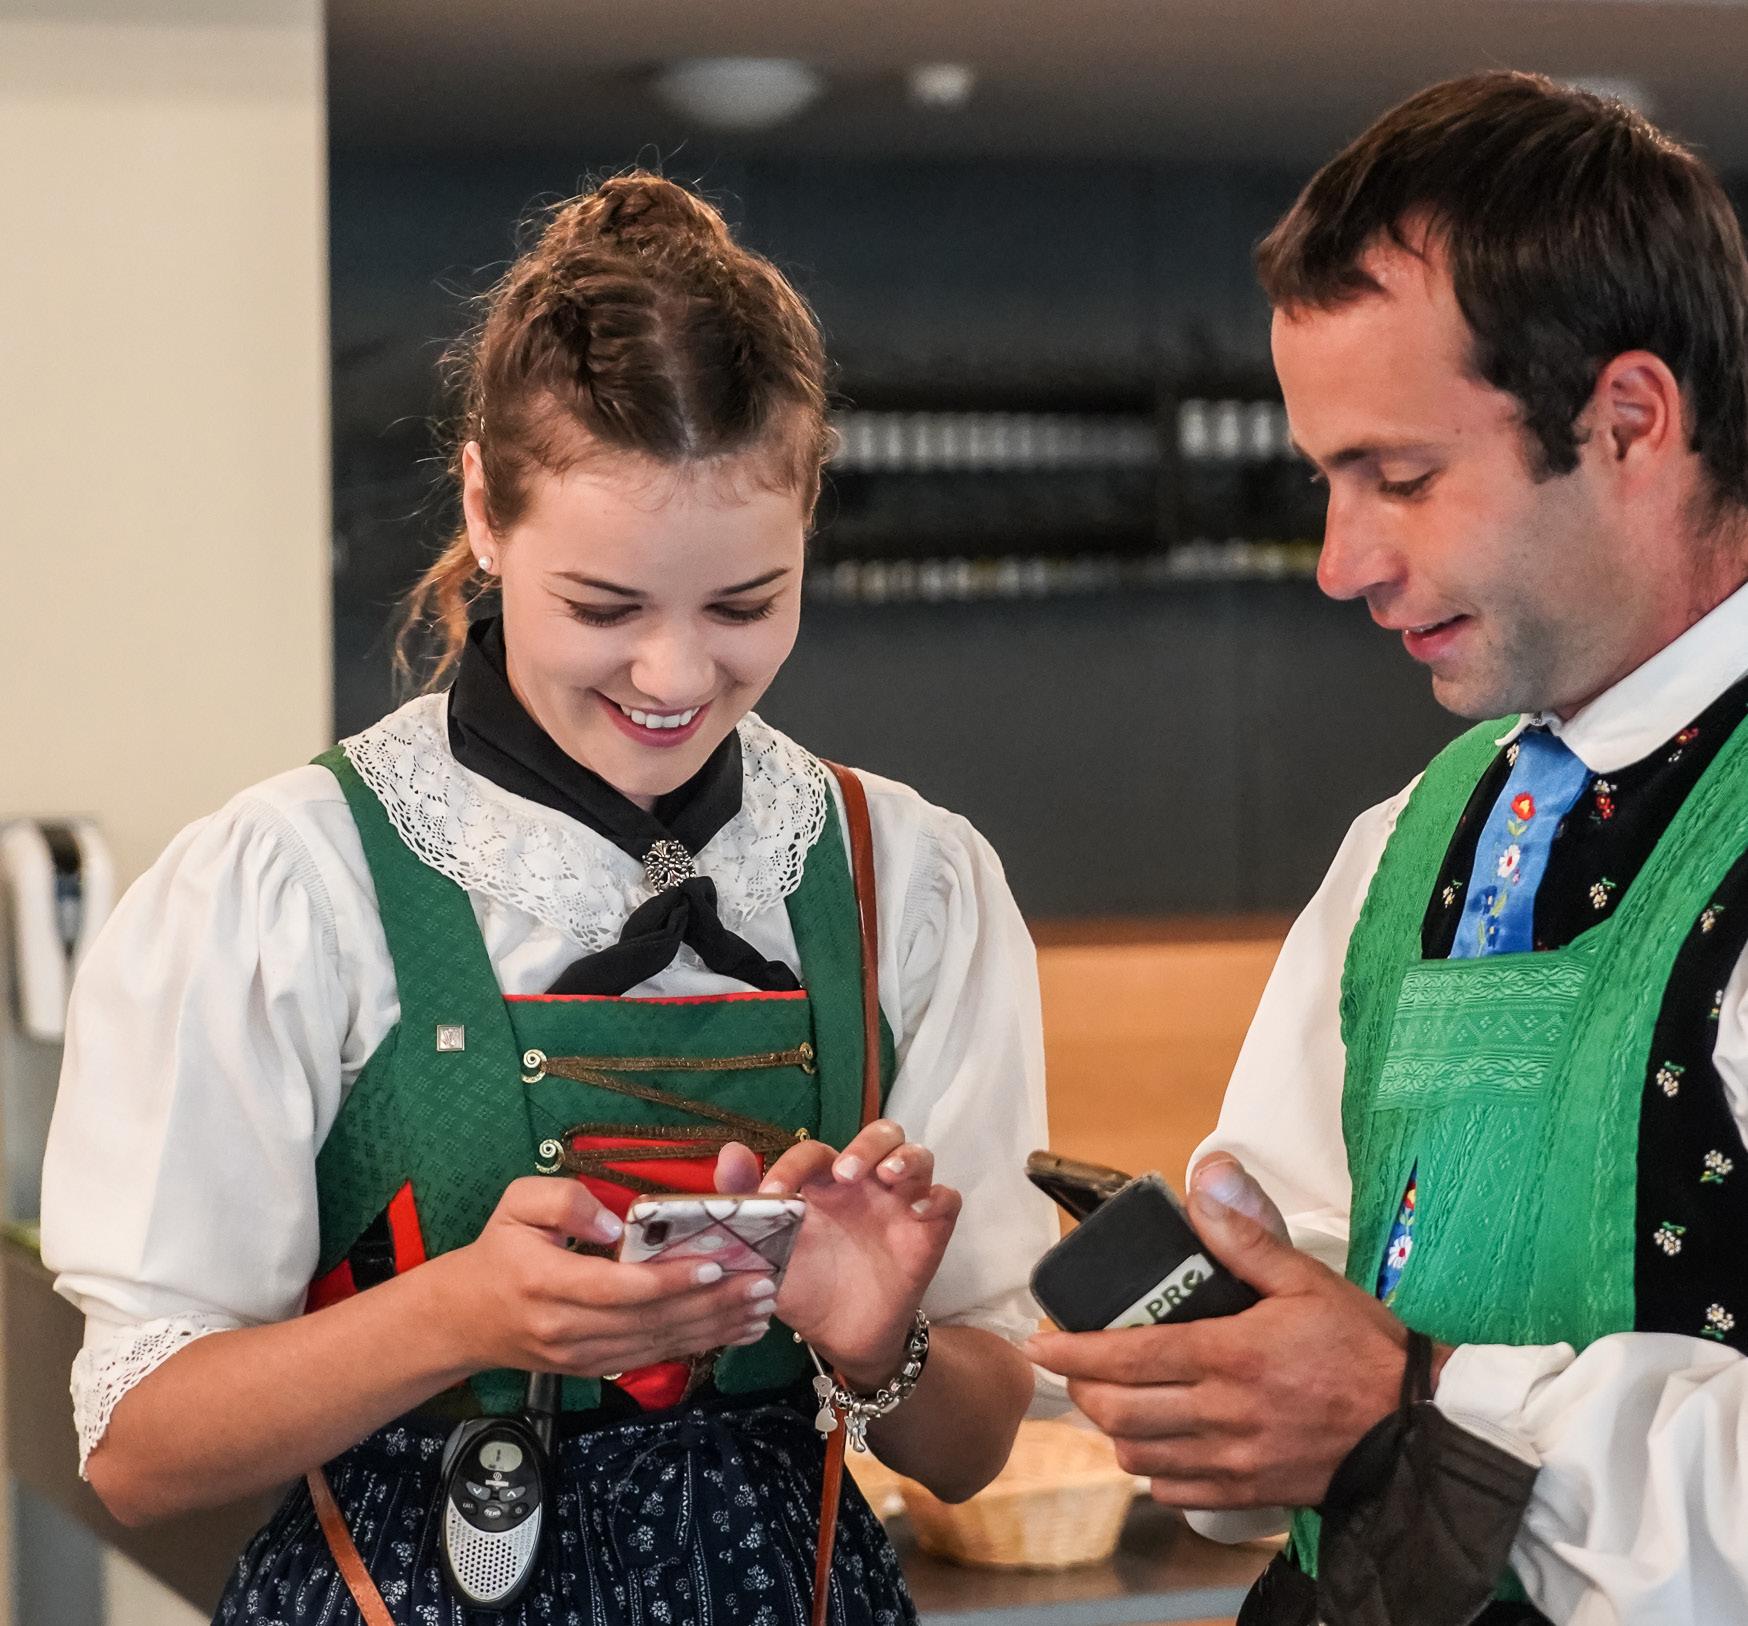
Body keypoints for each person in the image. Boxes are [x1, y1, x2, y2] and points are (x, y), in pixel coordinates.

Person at [40, 173, 1052, 1626]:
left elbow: (976, 1444)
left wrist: (875, 1333)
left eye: (745, 605)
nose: (676, 676)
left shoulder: (912, 878)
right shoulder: (293, 881)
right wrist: (458, 1312)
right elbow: (139, 1451)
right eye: (604, 608)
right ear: (483, 510)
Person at [1029, 71, 1748, 1626]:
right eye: (1325, 480)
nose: (1340, 561)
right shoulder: (1398, 847)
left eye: (1402, 478)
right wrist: (1219, 1385)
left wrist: (1411, 1403)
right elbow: (1297, 1319)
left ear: (1631, 419)